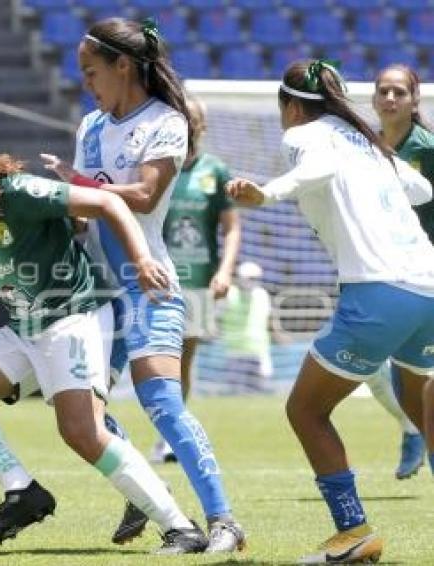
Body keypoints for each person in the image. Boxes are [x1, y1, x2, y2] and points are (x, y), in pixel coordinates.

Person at [0, 137, 208, 553]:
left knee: (81, 432)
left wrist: (142, 260)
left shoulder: (17, 194)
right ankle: (22, 492)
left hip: (74, 317)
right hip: (24, 329)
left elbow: (109, 204)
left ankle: (181, 528)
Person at [40, 17, 245, 553]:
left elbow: (146, 196)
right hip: (95, 296)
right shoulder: (90, 128)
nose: (85, 82)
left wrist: (77, 184)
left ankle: (224, 521)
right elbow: (88, 213)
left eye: (91, 71)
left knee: (162, 402)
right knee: (81, 409)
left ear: (123, 66)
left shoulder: (167, 122)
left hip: (147, 283)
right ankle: (141, 488)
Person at [226, 59, 434, 564]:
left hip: (379, 291)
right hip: (428, 286)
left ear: (291, 106)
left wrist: (268, 191)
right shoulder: (366, 140)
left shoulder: (305, 135)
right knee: (419, 404)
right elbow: (424, 190)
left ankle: (352, 533)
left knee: (306, 409)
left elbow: (317, 170)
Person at [151, 94, 242, 463]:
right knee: (156, 361)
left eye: (192, 119)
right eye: (180, 119)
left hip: (199, 281)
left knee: (181, 363)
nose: (187, 125)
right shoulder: (158, 167)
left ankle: (169, 438)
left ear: (201, 126)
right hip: (157, 279)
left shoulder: (214, 171)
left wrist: (225, 271)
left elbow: (232, 229)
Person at [372, 63, 434, 479]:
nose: (390, 98)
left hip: (427, 275)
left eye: (399, 92)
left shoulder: (426, 149)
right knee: (400, 378)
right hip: (387, 275)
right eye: (383, 91)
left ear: (414, 101)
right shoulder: (366, 145)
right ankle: (420, 439)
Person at [218, 261, 273, 391]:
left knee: (258, 394)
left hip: (258, 352)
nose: (253, 281)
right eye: (250, 278)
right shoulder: (229, 294)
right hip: (234, 353)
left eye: (256, 278)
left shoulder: (262, 295)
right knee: (235, 393)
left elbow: (269, 321)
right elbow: (217, 317)